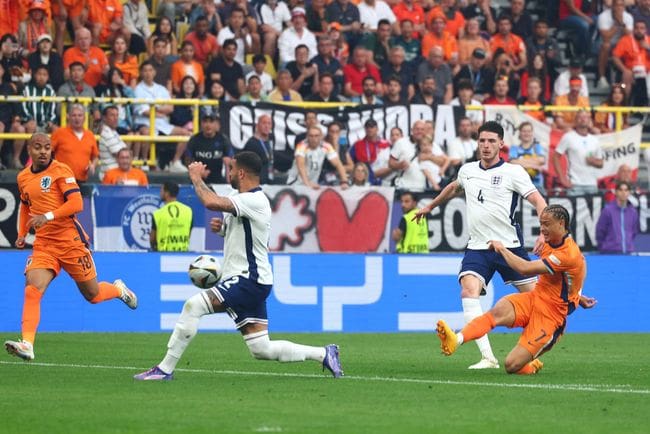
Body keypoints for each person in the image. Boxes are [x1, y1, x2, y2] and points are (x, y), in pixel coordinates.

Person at [134, 151, 344, 380]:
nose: (229, 173)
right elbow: (244, 231)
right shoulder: (240, 197)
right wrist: (223, 229)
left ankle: (164, 369)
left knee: (193, 306)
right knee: (261, 349)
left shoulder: (254, 199)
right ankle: (324, 354)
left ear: (242, 172)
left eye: (232, 169)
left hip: (248, 278)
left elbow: (210, 201)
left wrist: (195, 177)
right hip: (253, 280)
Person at [414, 121, 547, 369]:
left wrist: (544, 232)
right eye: (482, 141)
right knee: (468, 291)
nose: (486, 146)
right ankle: (488, 357)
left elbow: (539, 201)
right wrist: (430, 206)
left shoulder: (514, 172)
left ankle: (530, 352)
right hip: (478, 247)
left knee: (538, 302)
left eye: (491, 141)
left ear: (501, 144)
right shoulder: (467, 170)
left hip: (509, 248)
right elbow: (454, 187)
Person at [5, 133, 137, 361]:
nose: (43, 151)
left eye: (47, 147)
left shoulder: (61, 171)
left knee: (93, 295)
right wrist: (22, 233)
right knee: (32, 289)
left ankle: (118, 290)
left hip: (70, 242)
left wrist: (47, 216)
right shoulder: (23, 177)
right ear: (29, 150)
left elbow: (76, 203)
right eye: (38, 147)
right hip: (44, 245)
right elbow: (26, 205)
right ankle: (27, 343)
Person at [436, 204, 597, 374]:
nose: (542, 228)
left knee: (511, 365)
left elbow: (525, 269)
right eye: (541, 223)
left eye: (547, 224)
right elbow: (569, 276)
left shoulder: (568, 254)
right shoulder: (550, 243)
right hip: (535, 298)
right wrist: (579, 296)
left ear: (561, 223)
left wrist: (502, 250)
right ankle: (456, 339)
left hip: (552, 315)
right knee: (497, 312)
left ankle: (530, 365)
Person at [552, 110, 604, 196]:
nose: (583, 119)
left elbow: (601, 163)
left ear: (589, 121)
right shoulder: (568, 137)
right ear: (575, 121)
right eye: (580, 117)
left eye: (585, 117)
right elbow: (555, 157)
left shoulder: (595, 140)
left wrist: (593, 161)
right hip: (575, 184)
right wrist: (562, 178)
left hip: (592, 184)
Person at [50, 104, 99, 183]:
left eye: (80, 115)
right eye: (74, 115)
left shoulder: (90, 135)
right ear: (68, 117)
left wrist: (93, 165)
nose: (77, 118)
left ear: (84, 118)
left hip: (82, 180)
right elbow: (48, 152)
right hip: (61, 180)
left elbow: (95, 156)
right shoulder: (59, 133)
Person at [186, 112, 233, 184]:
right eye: (205, 122)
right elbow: (188, 160)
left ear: (216, 123)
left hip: (219, 181)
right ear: (201, 123)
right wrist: (198, 171)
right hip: (198, 181)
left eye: (211, 121)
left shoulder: (223, 140)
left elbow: (230, 161)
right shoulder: (194, 140)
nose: (208, 125)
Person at [596, 181, 639, 254]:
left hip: (628, 253)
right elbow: (600, 231)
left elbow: (634, 232)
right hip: (610, 252)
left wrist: (628, 245)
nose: (623, 193)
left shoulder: (633, 212)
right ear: (616, 192)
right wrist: (604, 247)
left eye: (626, 190)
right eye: (620, 190)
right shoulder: (608, 210)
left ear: (629, 193)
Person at [149, 182, 193, 252]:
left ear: (167, 193)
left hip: (163, 255)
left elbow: (152, 239)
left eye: (161, 190)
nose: (160, 193)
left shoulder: (158, 214)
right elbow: (188, 234)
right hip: (183, 254)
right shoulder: (188, 211)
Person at [509, 122, 546, 195]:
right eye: (524, 131)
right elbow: (512, 162)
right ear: (520, 132)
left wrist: (520, 161)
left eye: (529, 131)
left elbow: (542, 160)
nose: (526, 133)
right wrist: (533, 165)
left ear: (532, 133)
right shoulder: (514, 148)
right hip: (520, 186)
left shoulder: (537, 147)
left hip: (537, 185)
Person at [97, 105, 127, 180]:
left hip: (117, 176)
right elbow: (122, 154)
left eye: (117, 115)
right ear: (104, 118)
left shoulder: (113, 132)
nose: (116, 118)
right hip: (110, 176)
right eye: (112, 115)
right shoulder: (106, 133)